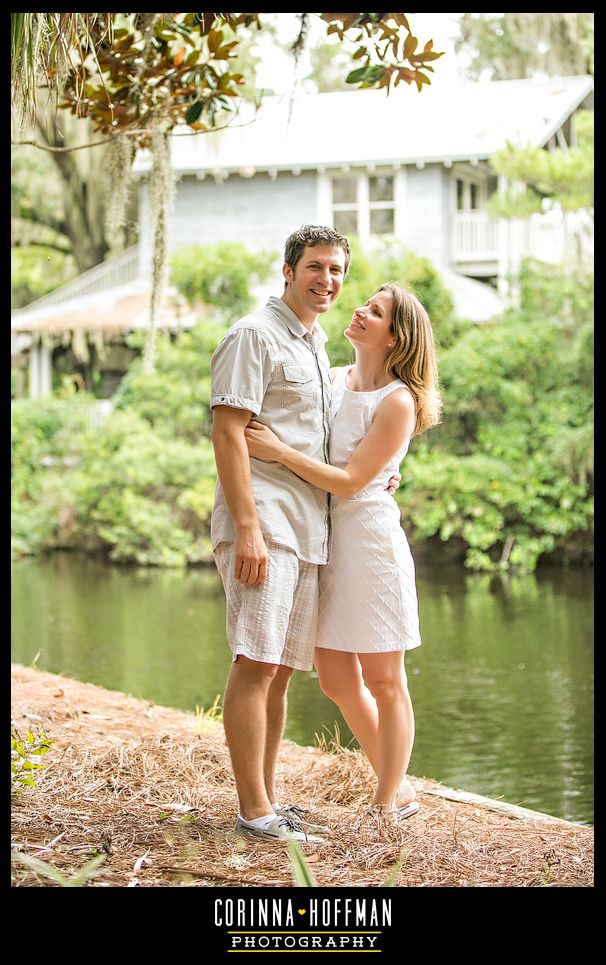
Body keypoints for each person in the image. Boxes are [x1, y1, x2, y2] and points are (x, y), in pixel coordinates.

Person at [210, 225, 400, 842]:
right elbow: (228, 433)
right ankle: (253, 811)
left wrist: (383, 476)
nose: (328, 280)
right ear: (288, 270)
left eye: (337, 271)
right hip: (266, 524)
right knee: (255, 662)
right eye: (316, 267)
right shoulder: (253, 335)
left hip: (310, 528)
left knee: (282, 669)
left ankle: (265, 801)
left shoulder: (317, 345)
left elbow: (347, 430)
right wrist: (247, 530)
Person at [244, 282, 441, 821]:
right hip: (325, 540)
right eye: (367, 303)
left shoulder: (398, 399)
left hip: (370, 546)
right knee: (334, 679)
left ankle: (386, 803)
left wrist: (277, 452)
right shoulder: (332, 380)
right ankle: (397, 786)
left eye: (375, 312)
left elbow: (353, 480)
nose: (360, 309)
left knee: (385, 680)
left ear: (396, 338)